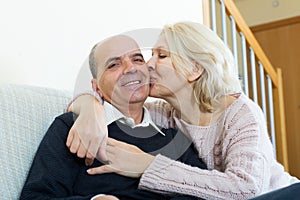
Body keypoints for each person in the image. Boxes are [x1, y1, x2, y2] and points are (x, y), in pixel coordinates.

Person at [67, 21, 299, 200]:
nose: (148, 64)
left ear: (194, 69)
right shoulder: (163, 115)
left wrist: (147, 166)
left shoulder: (240, 112)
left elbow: (246, 190)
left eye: (162, 55)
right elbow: (114, 104)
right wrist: (89, 107)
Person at [20, 34, 207, 200]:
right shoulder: (72, 127)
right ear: (96, 87)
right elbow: (35, 196)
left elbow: (203, 193)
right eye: (114, 64)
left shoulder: (175, 138)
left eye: (137, 59)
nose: (130, 68)